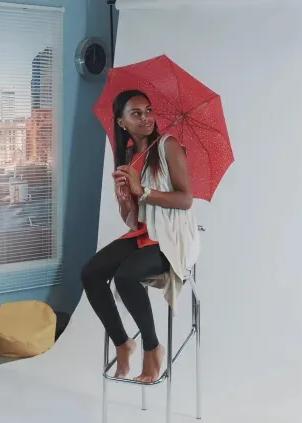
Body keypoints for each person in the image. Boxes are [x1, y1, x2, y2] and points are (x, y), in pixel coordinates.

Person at [81, 89, 198, 383]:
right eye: (136, 113)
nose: (146, 118)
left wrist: (142, 191)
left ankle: (152, 347)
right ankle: (123, 343)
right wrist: (125, 200)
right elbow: (134, 221)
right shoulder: (130, 157)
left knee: (125, 276)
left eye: (148, 111)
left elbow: (185, 200)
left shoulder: (167, 146)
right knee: (91, 272)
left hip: (171, 236)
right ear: (122, 122)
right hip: (145, 233)